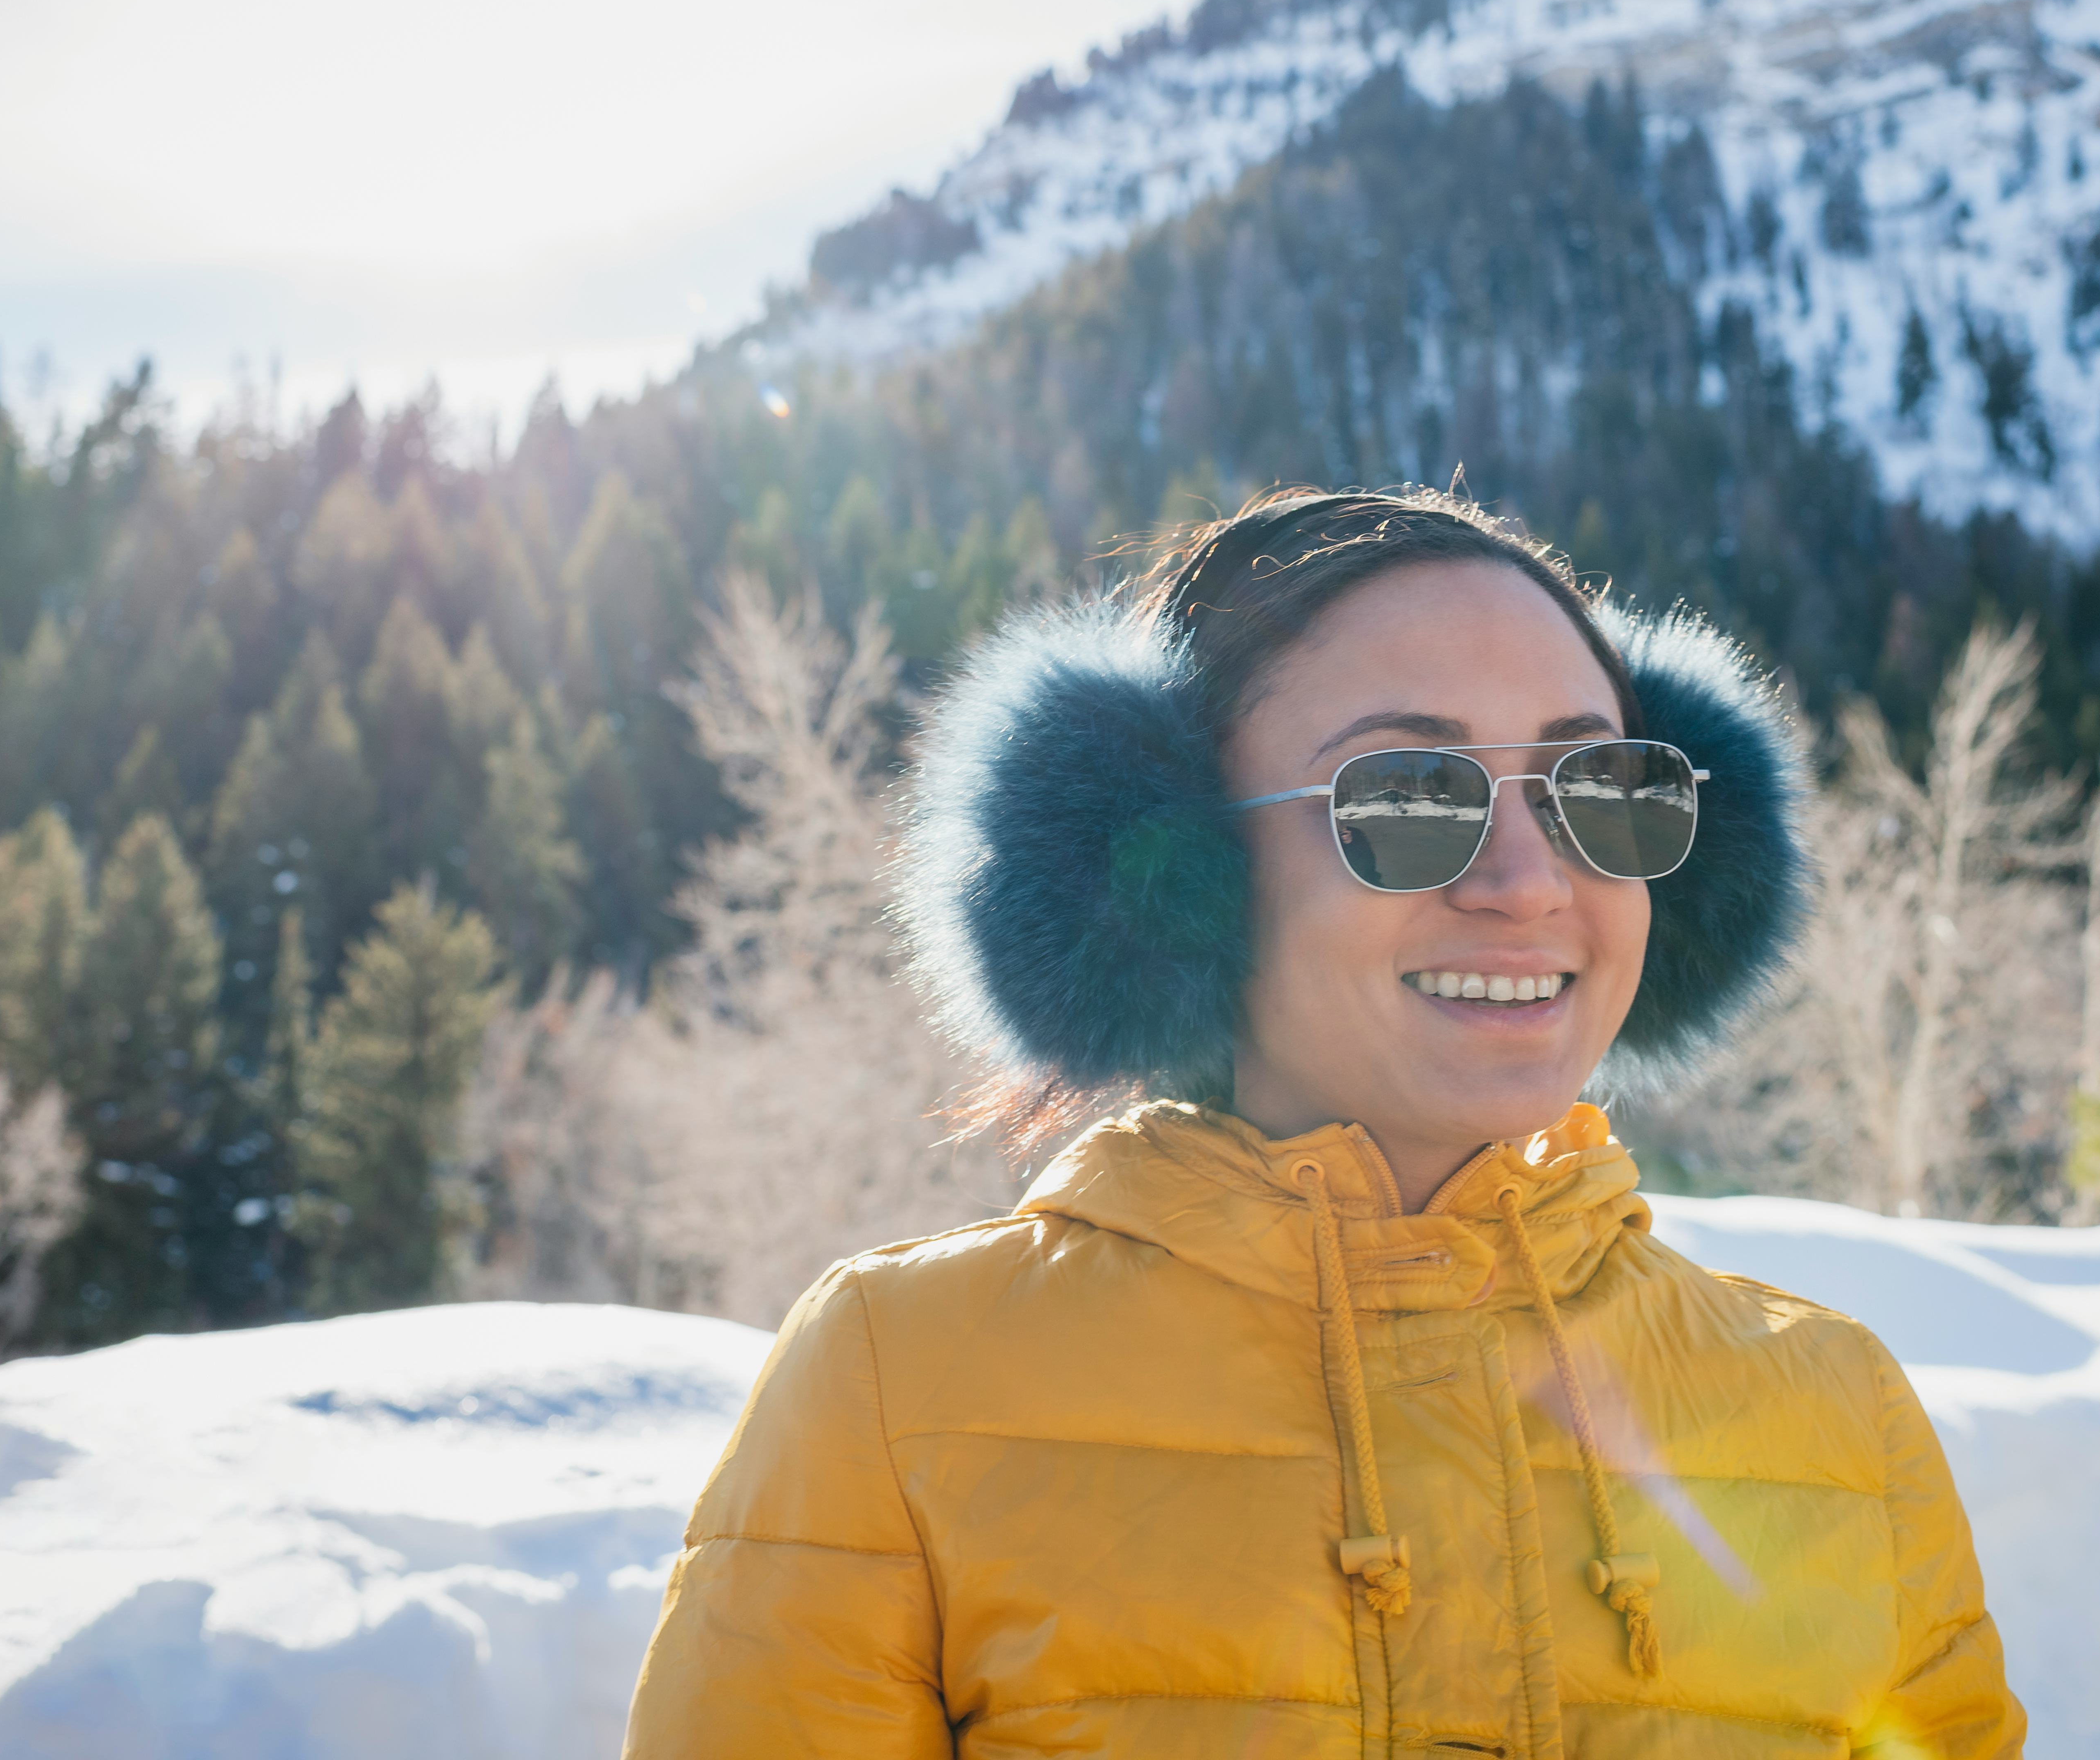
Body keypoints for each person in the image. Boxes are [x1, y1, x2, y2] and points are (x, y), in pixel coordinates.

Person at [625, 487, 2024, 1758]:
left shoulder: (1840, 1417)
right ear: (1174, 874)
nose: (1530, 882)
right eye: (1409, 797)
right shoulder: (899, 1388)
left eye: (1601, 790)